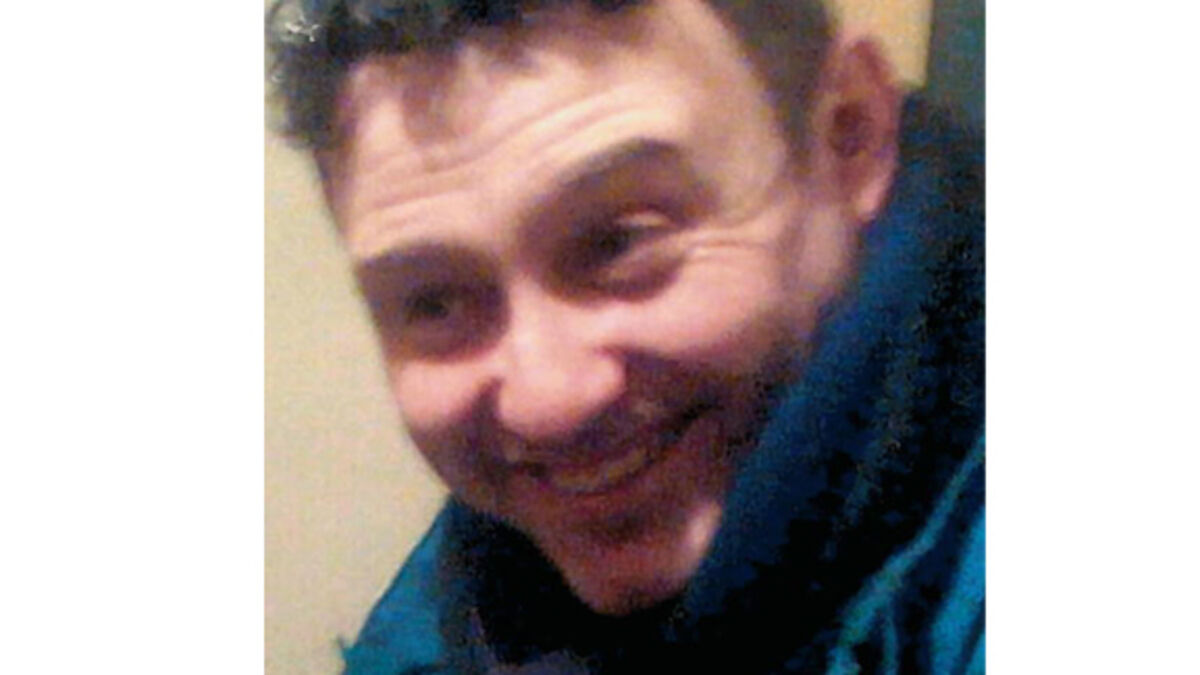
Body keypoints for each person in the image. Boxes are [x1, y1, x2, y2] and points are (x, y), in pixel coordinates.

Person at [267, 0, 983, 672]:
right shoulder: (467, 594)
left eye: (619, 242)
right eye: (434, 302)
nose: (546, 404)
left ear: (848, 134)